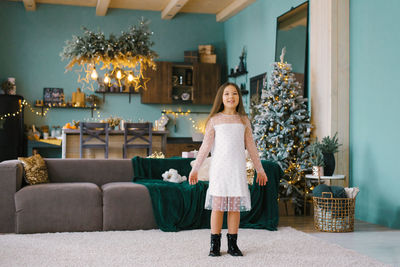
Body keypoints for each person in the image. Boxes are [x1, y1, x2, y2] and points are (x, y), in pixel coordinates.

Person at [189, 82, 268, 257]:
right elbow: (205, 147)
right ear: (221, 98)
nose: (230, 97)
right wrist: (195, 168)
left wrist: (260, 169)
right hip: (220, 171)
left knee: (234, 208)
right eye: (226, 94)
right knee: (218, 207)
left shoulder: (243, 120)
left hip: (236, 171)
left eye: (234, 93)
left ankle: (233, 244)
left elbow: (252, 147)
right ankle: (214, 245)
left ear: (239, 98)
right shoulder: (214, 120)